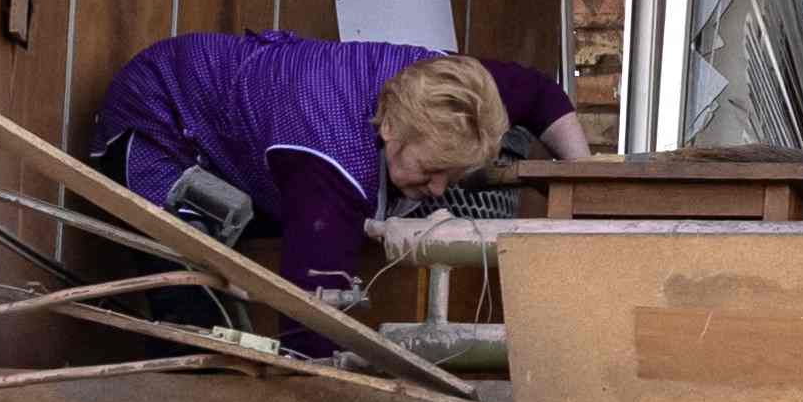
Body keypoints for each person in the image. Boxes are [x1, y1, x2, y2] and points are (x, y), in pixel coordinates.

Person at [89, 36, 572, 295]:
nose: (442, 189)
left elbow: (540, 95)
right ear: (390, 130)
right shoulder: (329, 170)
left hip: (247, 116)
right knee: (197, 303)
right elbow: (311, 323)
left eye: (454, 174)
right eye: (431, 171)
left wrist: (584, 184)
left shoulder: (451, 89)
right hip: (158, 122)